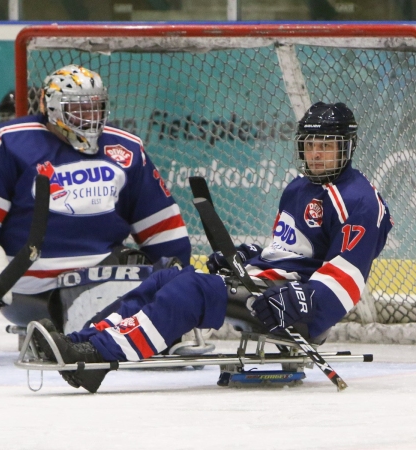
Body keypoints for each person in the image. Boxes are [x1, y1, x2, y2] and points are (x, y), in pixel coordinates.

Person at [32, 101, 393, 393]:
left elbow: (347, 276)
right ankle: (82, 342)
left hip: (296, 306)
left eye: (327, 146)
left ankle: (97, 357)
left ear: (347, 147)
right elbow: (288, 251)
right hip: (268, 288)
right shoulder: (298, 187)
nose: (316, 154)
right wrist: (245, 258)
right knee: (165, 278)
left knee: (192, 290)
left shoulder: (359, 201)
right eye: (311, 145)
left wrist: (306, 300)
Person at [0, 64, 191, 333]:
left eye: (95, 107)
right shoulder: (10, 142)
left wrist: (179, 285)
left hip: (105, 275)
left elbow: (161, 225)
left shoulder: (125, 147)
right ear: (51, 108)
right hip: (29, 288)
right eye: (78, 109)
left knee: (163, 284)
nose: (90, 117)